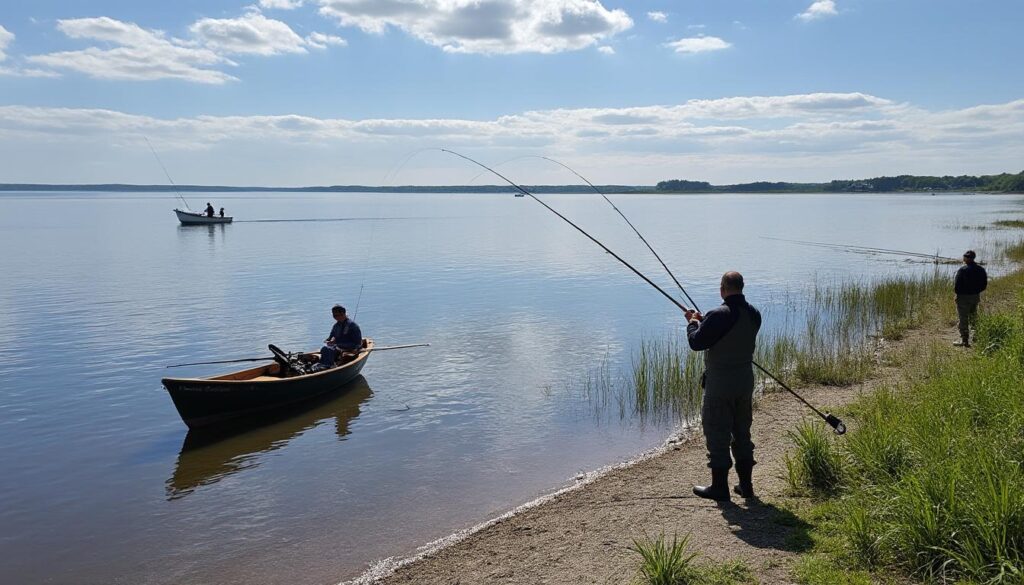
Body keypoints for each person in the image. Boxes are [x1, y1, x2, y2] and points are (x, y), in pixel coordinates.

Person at [685, 271, 762, 501]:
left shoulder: (718, 314)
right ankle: (746, 486)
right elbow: (729, 333)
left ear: (722, 289)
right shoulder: (754, 314)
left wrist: (692, 324)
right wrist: (703, 320)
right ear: (742, 287)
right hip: (745, 382)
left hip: (720, 385)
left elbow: (697, 343)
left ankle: (720, 489)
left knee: (717, 433)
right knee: (742, 432)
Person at [954, 250, 987, 347]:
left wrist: (957, 295)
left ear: (966, 258)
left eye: (964, 257)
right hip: (975, 297)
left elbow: (957, 286)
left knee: (963, 318)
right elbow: (984, 285)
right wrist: (976, 292)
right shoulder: (981, 269)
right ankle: (975, 336)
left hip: (963, 298)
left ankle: (964, 340)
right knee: (973, 317)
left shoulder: (962, 270)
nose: (964, 259)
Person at [317, 305, 363, 370]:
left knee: (329, 350)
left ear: (343, 314)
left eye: (337, 315)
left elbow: (357, 343)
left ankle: (329, 366)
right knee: (324, 349)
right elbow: (330, 337)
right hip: (337, 346)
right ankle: (324, 365)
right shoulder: (336, 326)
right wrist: (328, 341)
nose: (336, 317)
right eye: (334, 316)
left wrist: (337, 344)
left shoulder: (352, 326)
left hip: (350, 347)